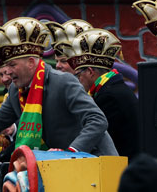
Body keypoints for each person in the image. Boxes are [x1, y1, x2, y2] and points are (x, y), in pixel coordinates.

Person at [0, 17, 116, 171]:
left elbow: (97, 120)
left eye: (12, 65)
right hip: (58, 168)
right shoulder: (15, 91)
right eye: (6, 66)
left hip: (96, 166)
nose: (8, 72)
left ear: (31, 62)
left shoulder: (63, 82)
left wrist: (71, 153)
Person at [58, 28, 140, 160]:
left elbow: (96, 139)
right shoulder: (115, 88)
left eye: (78, 75)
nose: (78, 80)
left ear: (90, 72)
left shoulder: (108, 97)